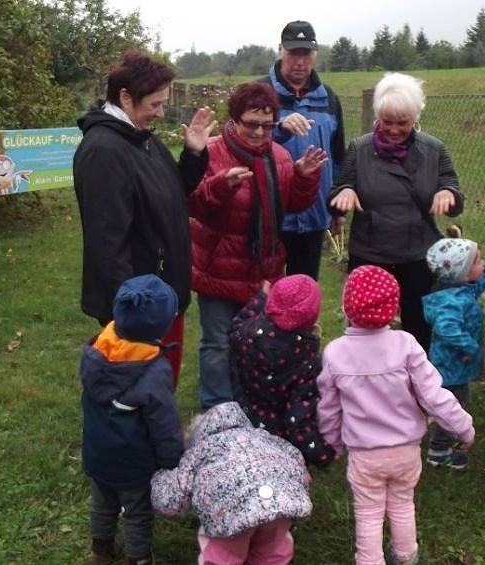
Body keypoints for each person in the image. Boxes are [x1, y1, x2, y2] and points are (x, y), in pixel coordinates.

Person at [73, 49, 216, 386]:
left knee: (160, 390)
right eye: (155, 104)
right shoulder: (104, 151)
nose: (161, 112)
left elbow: (172, 193)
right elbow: (107, 242)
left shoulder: (142, 140)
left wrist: (194, 153)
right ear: (125, 97)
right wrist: (132, 314)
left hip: (163, 293)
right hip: (142, 305)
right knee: (139, 395)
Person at [317, 265, 475, 565]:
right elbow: (433, 395)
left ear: (347, 308)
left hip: (365, 455)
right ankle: (406, 556)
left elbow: (328, 407)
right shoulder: (406, 345)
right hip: (405, 451)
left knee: (368, 513)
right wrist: (463, 426)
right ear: (394, 309)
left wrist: (332, 442)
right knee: (403, 505)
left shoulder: (335, 353)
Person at [188, 82, 327, 410]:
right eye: (252, 124)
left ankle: (247, 402)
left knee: (253, 340)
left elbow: (291, 206)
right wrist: (222, 185)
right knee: (217, 343)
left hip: (262, 269)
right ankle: (216, 410)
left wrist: (304, 177)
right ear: (234, 119)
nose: (260, 132)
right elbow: (194, 203)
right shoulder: (211, 151)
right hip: (217, 267)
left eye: (267, 125)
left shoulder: (279, 156)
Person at [328, 72, 464, 352]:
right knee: (365, 329)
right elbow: (337, 192)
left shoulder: (434, 149)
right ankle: (364, 378)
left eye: (402, 123)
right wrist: (345, 192)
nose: (393, 130)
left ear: (415, 118)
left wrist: (447, 193)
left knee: (418, 327)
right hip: (370, 251)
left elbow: (453, 189)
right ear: (378, 116)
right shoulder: (360, 148)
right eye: (386, 122)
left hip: (417, 253)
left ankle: (416, 380)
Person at [80, 274, 184, 565]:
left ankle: (100, 551)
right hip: (133, 463)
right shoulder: (153, 371)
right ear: (161, 327)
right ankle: (137, 557)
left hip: (98, 454)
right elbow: (164, 423)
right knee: (137, 512)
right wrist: (172, 460)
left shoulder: (96, 351)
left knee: (102, 503)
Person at [151, 401, 312, 564]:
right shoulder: (264, 437)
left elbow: (171, 502)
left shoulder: (199, 451)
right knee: (272, 549)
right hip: (280, 501)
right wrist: (300, 484)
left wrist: (157, 477)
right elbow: (296, 458)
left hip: (231, 512)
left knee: (224, 555)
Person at [261, 20, 346, 280]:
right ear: (280, 51)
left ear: (315, 55)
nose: (300, 62)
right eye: (293, 53)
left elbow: (338, 157)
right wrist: (278, 127)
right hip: (269, 214)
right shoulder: (259, 93)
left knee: (304, 292)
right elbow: (237, 142)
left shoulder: (329, 99)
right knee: (264, 292)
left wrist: (337, 209)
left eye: (306, 53)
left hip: (314, 214)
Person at [229, 274, 336, 468]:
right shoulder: (308, 361)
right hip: (280, 438)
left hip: (244, 416)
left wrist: (260, 299)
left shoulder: (248, 332)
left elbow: (235, 326)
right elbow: (298, 420)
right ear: (311, 317)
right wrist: (323, 452)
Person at [422, 237, 485, 469]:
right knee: (452, 407)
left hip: (455, 366)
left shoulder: (460, 289)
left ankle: (449, 442)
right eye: (477, 262)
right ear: (463, 274)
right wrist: (470, 347)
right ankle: (438, 450)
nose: (481, 264)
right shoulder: (451, 302)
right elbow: (447, 328)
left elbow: (478, 285)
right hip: (450, 368)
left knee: (457, 404)